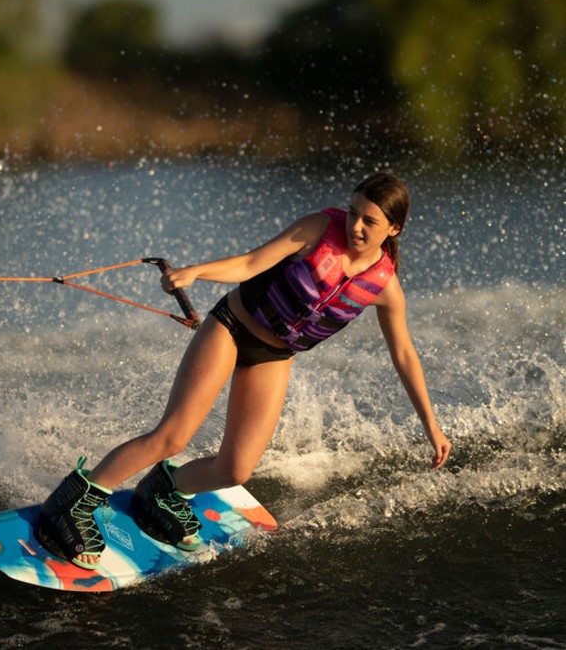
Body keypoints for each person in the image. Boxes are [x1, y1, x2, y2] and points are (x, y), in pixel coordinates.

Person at [36, 171, 452, 569]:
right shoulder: (317, 229)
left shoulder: (385, 287)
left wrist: (431, 425)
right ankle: (72, 503)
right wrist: (197, 271)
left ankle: (162, 491)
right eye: (352, 211)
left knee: (236, 470)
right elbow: (252, 263)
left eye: (369, 220)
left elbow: (404, 354)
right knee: (173, 435)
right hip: (232, 328)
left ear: (393, 229)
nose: (355, 225)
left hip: (273, 356)